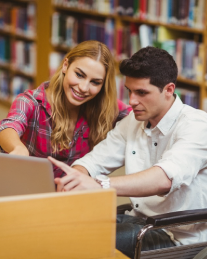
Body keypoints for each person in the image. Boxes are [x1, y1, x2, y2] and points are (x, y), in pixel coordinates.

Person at [48, 46, 207, 259]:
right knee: (60, 229)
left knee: (79, 241)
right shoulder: (134, 121)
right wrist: (76, 176)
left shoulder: (197, 125)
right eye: (130, 91)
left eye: (142, 93)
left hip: (177, 236)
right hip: (138, 222)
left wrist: (101, 184)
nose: (131, 101)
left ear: (168, 90)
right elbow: (94, 161)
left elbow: (163, 179)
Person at [0, 40, 131, 178]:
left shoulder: (104, 106)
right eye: (79, 75)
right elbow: (9, 126)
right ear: (65, 66)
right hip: (30, 191)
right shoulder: (31, 102)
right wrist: (18, 147)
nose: (84, 88)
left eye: (95, 82)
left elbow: (139, 115)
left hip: (71, 195)